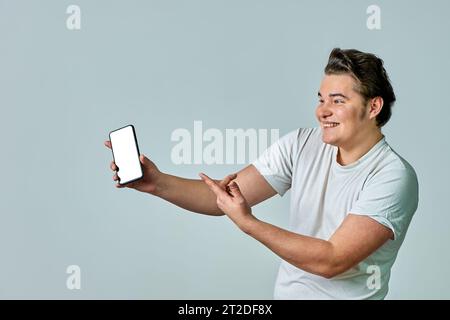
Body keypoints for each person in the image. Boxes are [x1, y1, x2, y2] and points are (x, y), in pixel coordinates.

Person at [104, 48, 419, 299]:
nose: (322, 110)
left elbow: (331, 260)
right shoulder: (301, 143)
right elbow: (222, 199)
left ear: (373, 107)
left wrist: (249, 224)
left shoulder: (392, 176)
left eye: (337, 102)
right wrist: (156, 182)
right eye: (321, 99)